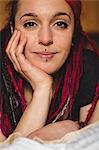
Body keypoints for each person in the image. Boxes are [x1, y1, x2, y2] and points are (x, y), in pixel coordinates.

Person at [0, 0, 99, 141]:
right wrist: (43, 88)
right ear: (12, 29)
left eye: (60, 24)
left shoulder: (88, 66)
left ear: (73, 32)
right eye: (30, 24)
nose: (46, 39)